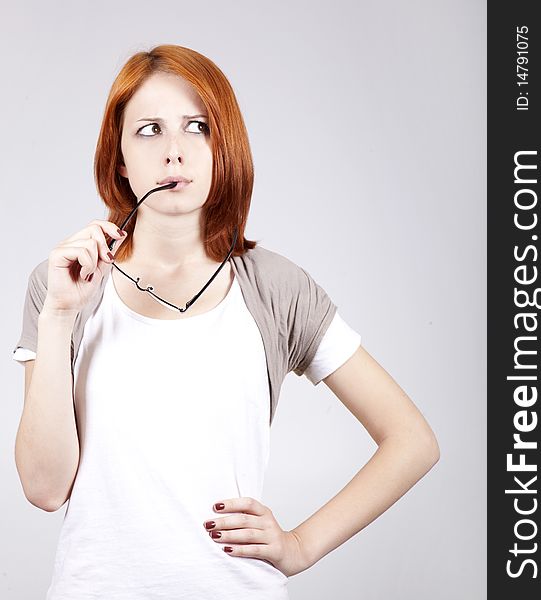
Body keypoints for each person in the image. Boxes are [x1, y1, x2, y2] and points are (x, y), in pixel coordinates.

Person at [12, 44, 440, 599]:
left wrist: (300, 546)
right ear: (118, 157)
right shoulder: (63, 283)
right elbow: (45, 489)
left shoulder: (277, 288)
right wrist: (60, 316)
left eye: (197, 127)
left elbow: (412, 441)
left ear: (223, 147)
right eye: (149, 130)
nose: (174, 153)